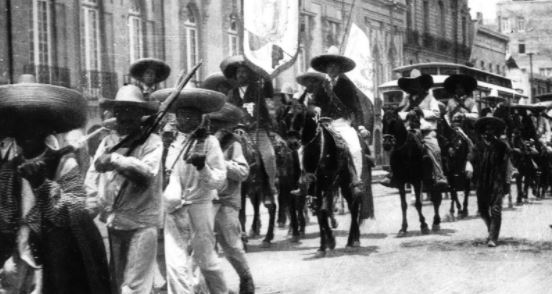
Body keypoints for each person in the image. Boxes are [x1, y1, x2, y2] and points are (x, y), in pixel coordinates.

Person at [0, 82, 111, 293]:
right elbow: (4, 216)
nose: (28, 133)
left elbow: (74, 209)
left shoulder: (64, 163)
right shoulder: (8, 170)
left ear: (46, 130)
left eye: (35, 126)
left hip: (55, 253)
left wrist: (41, 184)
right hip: (17, 253)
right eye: (22, 127)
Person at [85, 85, 163, 294]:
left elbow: (146, 175)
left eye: (130, 110)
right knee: (117, 283)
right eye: (119, 110)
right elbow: (92, 176)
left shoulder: (153, 142)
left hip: (142, 222)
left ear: (140, 114)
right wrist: (90, 204)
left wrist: (116, 159)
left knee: (135, 287)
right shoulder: (107, 142)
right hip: (114, 222)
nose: (123, 116)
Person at [152, 88, 229, 294]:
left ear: (199, 118)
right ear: (175, 117)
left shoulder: (210, 143)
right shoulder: (168, 142)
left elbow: (219, 181)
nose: (185, 119)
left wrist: (203, 167)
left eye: (191, 115)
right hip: (173, 207)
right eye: (181, 114)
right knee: (175, 264)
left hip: (200, 207)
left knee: (206, 262)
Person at [207, 103, 255, 294]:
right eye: (210, 122)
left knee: (231, 245)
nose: (212, 127)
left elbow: (243, 171)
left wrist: (222, 162)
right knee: (202, 246)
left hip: (226, 200)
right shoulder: (200, 141)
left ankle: (246, 276)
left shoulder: (232, 143)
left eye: (217, 123)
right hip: (204, 201)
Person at [220, 55, 278, 205]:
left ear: (250, 74)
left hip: (256, 131)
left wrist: (259, 122)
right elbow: (227, 112)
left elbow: (269, 95)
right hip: (237, 133)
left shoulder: (259, 90)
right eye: (238, 72)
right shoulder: (231, 94)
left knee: (269, 156)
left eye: (244, 72)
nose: (241, 75)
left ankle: (270, 188)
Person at [309, 51, 365, 195]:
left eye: (335, 66)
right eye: (330, 66)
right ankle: (306, 181)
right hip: (324, 125)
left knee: (355, 148)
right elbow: (313, 104)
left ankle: (356, 180)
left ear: (340, 69)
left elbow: (356, 107)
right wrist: (315, 109)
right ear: (326, 68)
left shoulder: (347, 85)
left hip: (342, 124)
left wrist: (360, 125)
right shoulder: (320, 85)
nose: (332, 69)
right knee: (305, 148)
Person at [393, 73, 448, 190]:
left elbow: (437, 114)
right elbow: (399, 114)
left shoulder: (430, 98)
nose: (414, 87)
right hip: (410, 131)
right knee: (397, 148)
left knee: (435, 149)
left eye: (417, 84)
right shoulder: (406, 100)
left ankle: (439, 176)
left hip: (426, 131)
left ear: (422, 85)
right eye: (412, 84)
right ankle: (394, 175)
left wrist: (422, 112)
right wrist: (408, 114)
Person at [473, 116, 510, 247]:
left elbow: (506, 164)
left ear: (496, 131)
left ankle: (493, 237)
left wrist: (507, 182)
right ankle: (490, 228)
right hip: (481, 182)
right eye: (487, 129)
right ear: (483, 130)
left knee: (495, 210)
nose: (489, 131)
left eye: (492, 129)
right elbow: (471, 160)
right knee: (482, 210)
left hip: (496, 181)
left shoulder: (501, 146)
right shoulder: (478, 145)